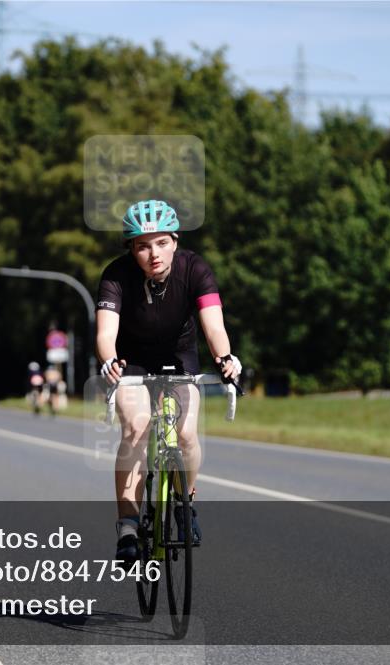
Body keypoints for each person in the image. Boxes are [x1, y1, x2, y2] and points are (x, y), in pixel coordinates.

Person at [95, 199, 241, 563]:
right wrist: (109, 360)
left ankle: (185, 503)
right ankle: (128, 525)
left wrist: (224, 358)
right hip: (132, 363)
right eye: (142, 246)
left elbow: (214, 325)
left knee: (188, 433)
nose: (153, 253)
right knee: (136, 427)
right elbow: (105, 333)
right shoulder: (116, 275)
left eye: (161, 242)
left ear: (175, 241)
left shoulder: (195, 269)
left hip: (180, 359)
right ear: (131, 248)